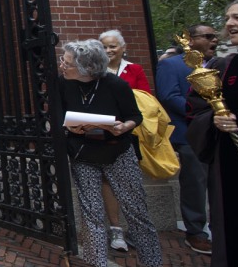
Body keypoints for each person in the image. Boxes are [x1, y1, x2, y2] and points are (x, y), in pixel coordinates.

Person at [60, 39, 162, 267]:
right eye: (63, 61)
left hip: (117, 152)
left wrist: (124, 126)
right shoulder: (63, 83)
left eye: (68, 64)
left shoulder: (116, 85)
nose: (62, 66)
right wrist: (68, 126)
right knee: (91, 214)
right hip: (83, 153)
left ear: (87, 68)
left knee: (136, 212)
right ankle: (96, 263)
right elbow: (58, 113)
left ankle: (152, 262)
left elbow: (135, 116)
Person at [188, 0, 238, 267]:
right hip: (232, 162)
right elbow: (199, 108)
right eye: (227, 18)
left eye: (237, 17)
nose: (229, 23)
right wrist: (215, 118)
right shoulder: (227, 66)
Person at [155, 23, 218, 255]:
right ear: (190, 40)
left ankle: (220, 228)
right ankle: (195, 231)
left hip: (221, 132)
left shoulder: (218, 65)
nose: (215, 40)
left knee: (219, 183)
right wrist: (205, 115)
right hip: (190, 132)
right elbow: (169, 96)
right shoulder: (171, 65)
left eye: (215, 36)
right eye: (208, 36)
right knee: (195, 183)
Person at [97, 29, 151, 252]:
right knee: (107, 181)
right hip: (103, 134)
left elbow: (146, 98)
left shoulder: (134, 70)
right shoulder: (95, 72)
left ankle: (139, 231)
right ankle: (116, 229)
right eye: (104, 46)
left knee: (131, 184)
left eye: (113, 46)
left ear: (123, 48)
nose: (109, 50)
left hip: (129, 132)